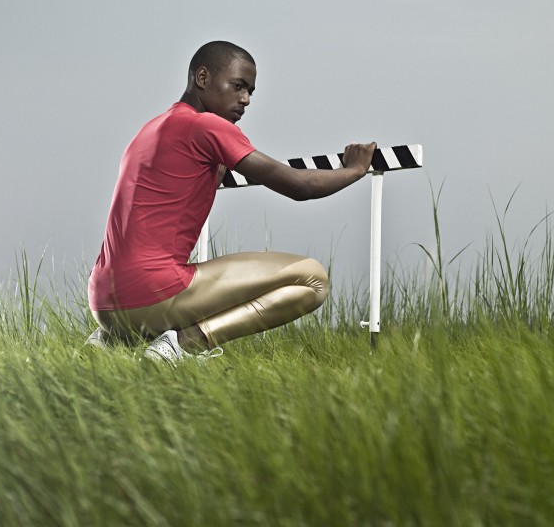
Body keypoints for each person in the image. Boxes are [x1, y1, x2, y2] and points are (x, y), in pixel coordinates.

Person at [85, 41, 376, 364]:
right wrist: (355, 170)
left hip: (103, 302)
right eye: (238, 86)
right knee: (313, 278)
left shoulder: (150, 130)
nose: (246, 99)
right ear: (203, 77)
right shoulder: (207, 126)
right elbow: (299, 185)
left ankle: (110, 341)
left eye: (250, 91)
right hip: (154, 294)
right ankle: (182, 346)